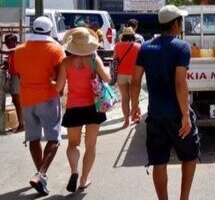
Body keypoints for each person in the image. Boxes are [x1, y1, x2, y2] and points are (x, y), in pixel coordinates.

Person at [130, 5, 200, 200]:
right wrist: (185, 115)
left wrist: (134, 106)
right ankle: (183, 198)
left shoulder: (145, 47)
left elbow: (135, 81)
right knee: (190, 156)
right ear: (176, 23)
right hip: (177, 115)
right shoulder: (182, 47)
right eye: (181, 21)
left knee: (159, 161)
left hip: (155, 115)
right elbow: (180, 83)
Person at [13, 17, 65, 196]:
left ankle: (40, 178)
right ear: (50, 31)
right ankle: (41, 173)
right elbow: (61, 75)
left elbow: (18, 73)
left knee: (33, 138)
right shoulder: (55, 49)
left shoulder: (19, 50)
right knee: (54, 138)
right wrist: (61, 91)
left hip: (26, 98)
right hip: (48, 97)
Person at [54, 28, 111, 192]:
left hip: (74, 107)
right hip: (94, 106)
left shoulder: (66, 62)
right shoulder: (94, 59)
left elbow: (59, 87)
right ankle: (84, 180)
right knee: (91, 145)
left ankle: (74, 171)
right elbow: (107, 79)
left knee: (73, 144)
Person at [114, 27, 141, 128]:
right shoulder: (138, 46)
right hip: (134, 74)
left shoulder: (117, 46)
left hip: (121, 74)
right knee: (135, 97)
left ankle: (126, 120)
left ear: (123, 36)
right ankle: (135, 116)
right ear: (133, 36)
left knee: (125, 98)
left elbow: (115, 59)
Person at [1, 33, 23, 132]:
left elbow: (4, 51)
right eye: (6, 42)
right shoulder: (12, 52)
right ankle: (22, 124)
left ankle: (22, 125)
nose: (7, 44)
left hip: (17, 78)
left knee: (18, 103)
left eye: (8, 42)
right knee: (16, 101)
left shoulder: (17, 49)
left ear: (14, 42)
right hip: (14, 78)